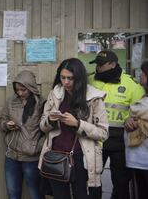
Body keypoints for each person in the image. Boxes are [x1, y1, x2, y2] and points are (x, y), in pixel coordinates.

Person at [39, 58, 109, 199]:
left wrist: (78, 124)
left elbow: (103, 133)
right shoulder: (55, 94)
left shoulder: (94, 97)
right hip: (56, 156)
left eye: (70, 78)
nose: (65, 82)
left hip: (82, 158)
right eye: (62, 77)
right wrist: (50, 120)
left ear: (79, 78)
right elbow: (42, 126)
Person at [88, 50, 145, 199]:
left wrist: (134, 120)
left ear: (113, 64)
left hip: (120, 142)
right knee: (93, 180)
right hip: (95, 140)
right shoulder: (90, 81)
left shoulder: (132, 85)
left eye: (101, 65)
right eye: (97, 64)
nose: (98, 68)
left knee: (121, 182)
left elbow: (142, 112)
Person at [0, 70, 45, 199]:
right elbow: (2, 120)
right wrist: (7, 125)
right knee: (13, 194)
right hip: (12, 156)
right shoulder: (11, 101)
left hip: (31, 158)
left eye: (23, 90)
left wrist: (37, 147)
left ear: (31, 88)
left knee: (36, 193)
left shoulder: (41, 104)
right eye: (17, 90)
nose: (20, 93)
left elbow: (47, 130)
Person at [124, 61, 148, 198]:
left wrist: (137, 119)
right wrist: (129, 121)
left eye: (142, 74)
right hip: (139, 160)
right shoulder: (143, 101)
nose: (140, 79)